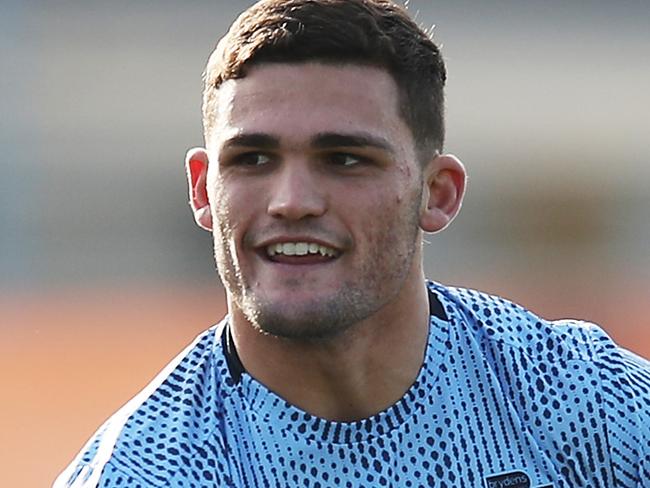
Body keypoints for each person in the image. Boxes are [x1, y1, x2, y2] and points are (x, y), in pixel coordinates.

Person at [55, 0, 649, 486]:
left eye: (343, 159)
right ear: (204, 191)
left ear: (437, 194)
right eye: (253, 158)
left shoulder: (579, 401)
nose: (291, 200)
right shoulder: (149, 471)